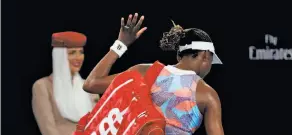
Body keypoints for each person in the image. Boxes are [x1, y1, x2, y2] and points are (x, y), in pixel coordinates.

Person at [83, 13, 225, 135]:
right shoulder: (207, 94)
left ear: (179, 56)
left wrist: (121, 44)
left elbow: (91, 84)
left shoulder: (144, 71)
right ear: (206, 56)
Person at [32, 31, 99, 135]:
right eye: (72, 53)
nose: (78, 58)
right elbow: (48, 129)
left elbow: (98, 124)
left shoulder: (89, 87)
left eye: (81, 52)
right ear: (59, 56)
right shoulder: (43, 86)